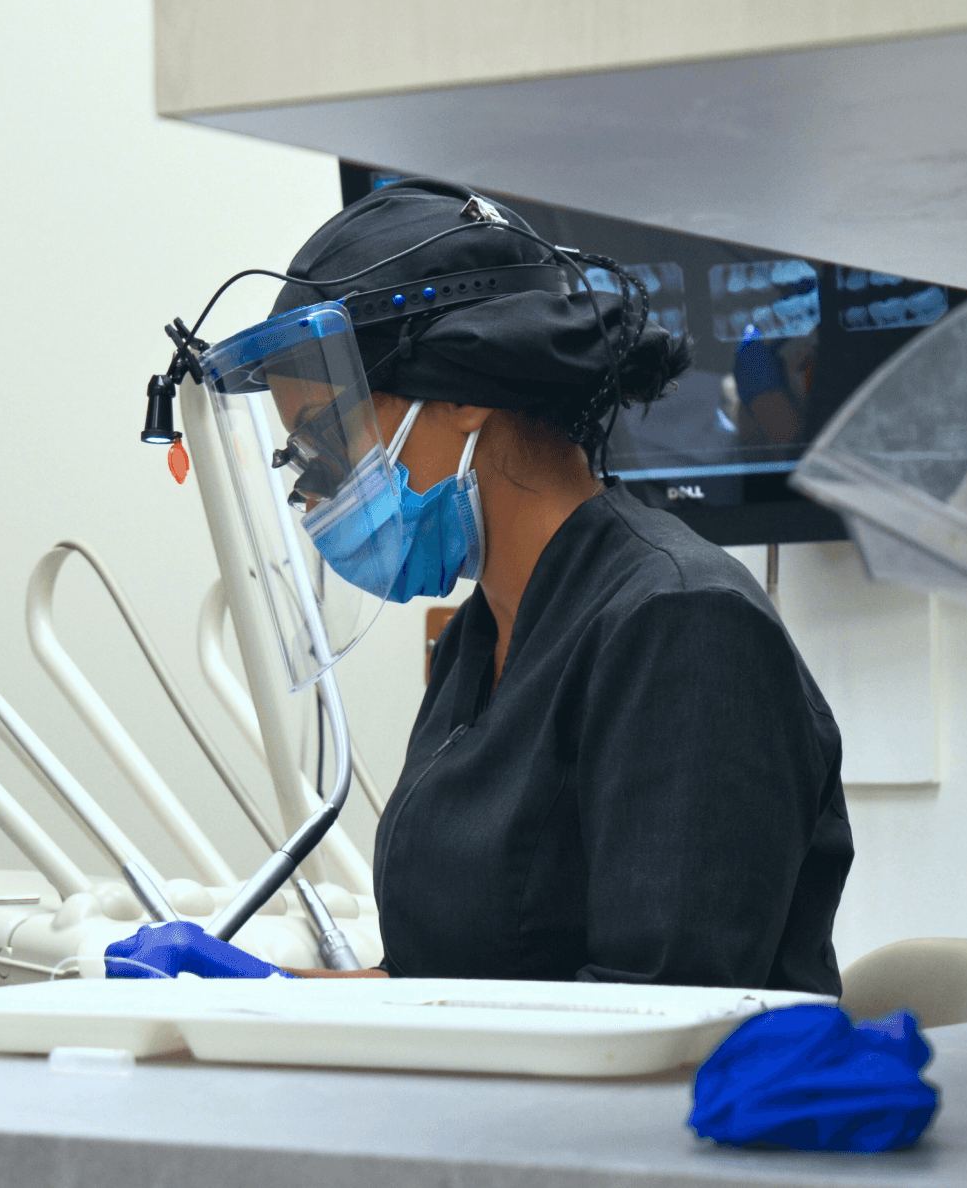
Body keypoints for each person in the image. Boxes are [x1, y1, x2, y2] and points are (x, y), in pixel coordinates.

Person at [120, 178, 851, 992]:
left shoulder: (680, 624)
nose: (314, 495)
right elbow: (441, 983)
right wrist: (262, 994)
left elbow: (655, 1025)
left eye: (322, 443)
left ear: (464, 392)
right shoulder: (484, 636)